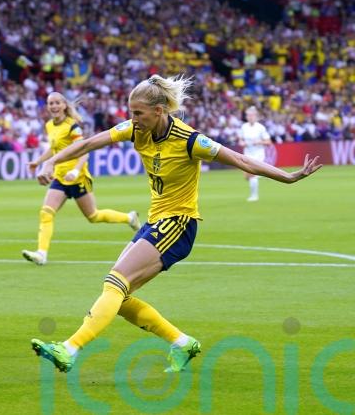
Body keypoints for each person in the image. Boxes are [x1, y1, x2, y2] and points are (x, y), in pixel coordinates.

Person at [31, 75, 321, 373]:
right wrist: (51, 162)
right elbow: (90, 143)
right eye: (131, 112)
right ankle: (182, 342)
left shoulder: (190, 140)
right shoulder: (135, 129)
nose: (133, 119)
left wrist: (287, 177)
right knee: (119, 295)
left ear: (159, 111)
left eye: (138, 113)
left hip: (178, 224)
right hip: (156, 221)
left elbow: (241, 160)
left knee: (115, 283)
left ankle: (69, 349)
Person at [21, 92, 141, 266]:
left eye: (57, 102)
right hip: (60, 177)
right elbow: (54, 148)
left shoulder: (72, 126)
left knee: (93, 216)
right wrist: (38, 162)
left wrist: (76, 171)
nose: (53, 106)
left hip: (78, 178)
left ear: (64, 105)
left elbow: (83, 150)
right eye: (50, 103)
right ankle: (41, 253)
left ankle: (129, 218)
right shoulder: (49, 125)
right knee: (46, 212)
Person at [238, 106, 272, 201]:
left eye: (252, 115)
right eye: (248, 115)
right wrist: (242, 143)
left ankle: (254, 196)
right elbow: (240, 140)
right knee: (247, 176)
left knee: (252, 174)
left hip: (258, 154)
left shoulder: (260, 127)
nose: (250, 117)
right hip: (247, 153)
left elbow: (268, 142)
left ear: (256, 116)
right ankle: (262, 174)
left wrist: (259, 142)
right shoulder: (244, 127)